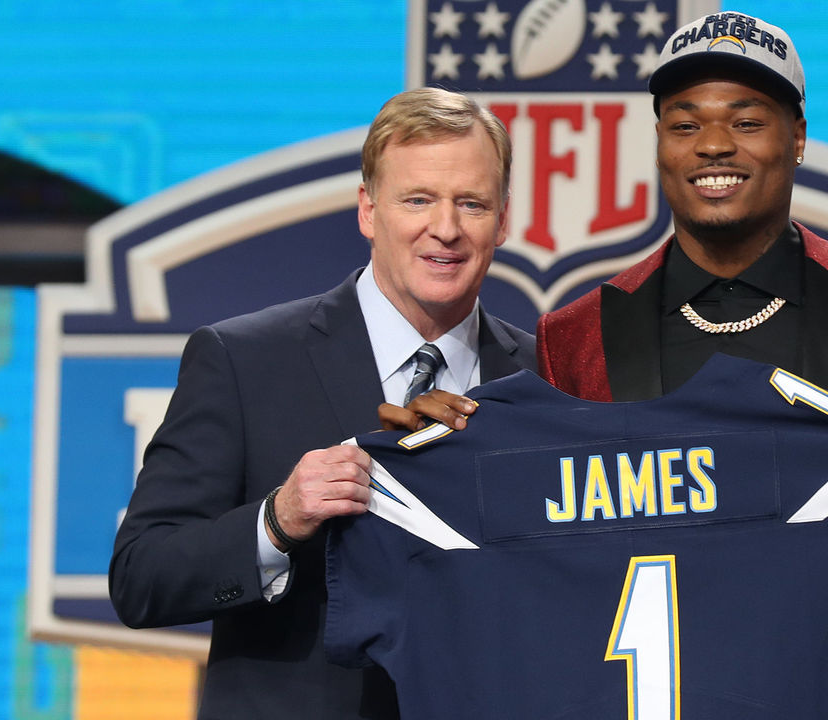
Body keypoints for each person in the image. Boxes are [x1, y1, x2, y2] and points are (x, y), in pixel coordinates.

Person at [386, 11, 828, 719]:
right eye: (684, 124)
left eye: (747, 121)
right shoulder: (578, 334)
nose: (713, 145)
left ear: (799, 138)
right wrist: (439, 459)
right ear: (659, 144)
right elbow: (528, 555)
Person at [109, 87, 535, 720]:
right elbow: (142, 578)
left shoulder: (545, 381)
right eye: (417, 199)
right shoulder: (244, 361)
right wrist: (276, 521)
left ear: (501, 220)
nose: (445, 229)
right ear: (368, 210)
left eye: (470, 203)